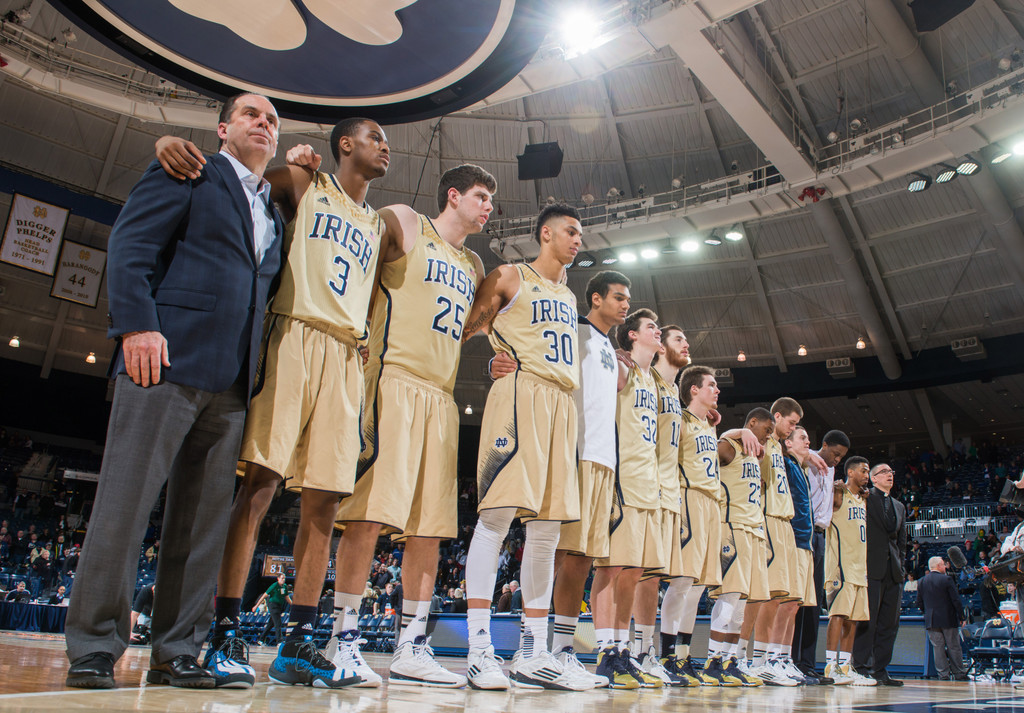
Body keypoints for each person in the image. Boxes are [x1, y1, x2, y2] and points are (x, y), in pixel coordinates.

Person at [155, 117, 390, 689]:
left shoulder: (379, 225)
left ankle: (298, 644)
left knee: (325, 502)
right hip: (293, 335)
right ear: (345, 144)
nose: (386, 147)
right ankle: (224, 631)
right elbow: (232, 179)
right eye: (375, 138)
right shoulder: (304, 183)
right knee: (260, 486)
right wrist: (169, 145)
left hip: (345, 353)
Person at [65, 93, 284, 690]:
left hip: (232, 382)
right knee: (124, 508)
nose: (263, 124)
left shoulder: (273, 209)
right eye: (251, 115)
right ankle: (94, 646)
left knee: (201, 526)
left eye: (272, 120)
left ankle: (177, 650)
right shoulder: (187, 168)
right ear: (222, 128)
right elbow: (131, 244)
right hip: (161, 362)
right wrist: (136, 325)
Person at [321, 161, 494, 689]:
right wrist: (355, 327)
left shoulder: (473, 264)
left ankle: (411, 646)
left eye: (491, 200)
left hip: (441, 398)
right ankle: (342, 639)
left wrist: (502, 355)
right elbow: (353, 260)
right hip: (392, 378)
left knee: (430, 527)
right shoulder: (405, 221)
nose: (489, 207)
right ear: (453, 195)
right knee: (369, 515)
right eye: (481, 196)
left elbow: (468, 327)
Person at [461, 204, 586, 691]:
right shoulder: (511, 276)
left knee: (548, 530)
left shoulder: (567, 293)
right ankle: (478, 649)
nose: (578, 240)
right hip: (520, 395)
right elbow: (464, 326)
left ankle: (532, 652)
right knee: (496, 518)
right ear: (545, 233)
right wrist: (490, 359)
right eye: (571, 232)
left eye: (580, 234)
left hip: (561, 405)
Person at [542, 271, 631, 689]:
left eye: (627, 299)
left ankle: (563, 649)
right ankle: (534, 645)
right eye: (618, 297)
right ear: (596, 298)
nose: (625, 304)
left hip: (603, 458)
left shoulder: (610, 347)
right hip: (575, 452)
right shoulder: (575, 331)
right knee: (556, 552)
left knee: (581, 558)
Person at [590, 309, 665, 689]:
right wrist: (613, 354)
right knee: (611, 567)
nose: (658, 331)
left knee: (634, 572)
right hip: (621, 478)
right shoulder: (622, 366)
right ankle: (605, 652)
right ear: (632, 335)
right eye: (651, 326)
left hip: (648, 483)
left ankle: (621, 650)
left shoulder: (651, 379)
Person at [745, 398, 826, 686]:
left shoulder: (780, 450)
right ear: (777, 417)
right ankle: (759, 659)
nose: (793, 429)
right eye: (792, 424)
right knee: (771, 597)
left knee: (790, 602)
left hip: (792, 531)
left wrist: (808, 456)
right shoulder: (767, 444)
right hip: (771, 522)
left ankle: (779, 658)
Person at [703, 407, 775, 687]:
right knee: (729, 599)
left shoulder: (756, 457)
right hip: (733, 527)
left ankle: (730, 660)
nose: (768, 436)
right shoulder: (730, 446)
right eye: (766, 430)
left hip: (754, 530)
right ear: (752, 422)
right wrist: (735, 432)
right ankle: (712, 662)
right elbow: (706, 453)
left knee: (742, 606)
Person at [793, 430, 850, 677]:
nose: (837, 459)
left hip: (820, 535)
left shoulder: (833, 471)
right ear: (824, 445)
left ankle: (807, 664)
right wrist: (807, 456)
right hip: (803, 531)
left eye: (841, 457)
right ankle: (791, 660)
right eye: (835, 453)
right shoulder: (806, 458)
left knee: (814, 603)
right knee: (798, 600)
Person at [780, 425, 829, 685]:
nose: (808, 441)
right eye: (802, 437)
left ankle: (787, 661)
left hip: (806, 543)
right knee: (786, 604)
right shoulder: (787, 465)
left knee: (796, 605)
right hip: (793, 540)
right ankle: (776, 658)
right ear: (788, 443)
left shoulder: (800, 469)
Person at [823, 456, 876, 686]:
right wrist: (833, 484)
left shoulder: (863, 498)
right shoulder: (838, 494)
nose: (867, 475)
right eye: (863, 471)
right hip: (840, 566)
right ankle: (829, 667)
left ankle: (845, 667)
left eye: (868, 471)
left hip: (859, 568)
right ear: (851, 472)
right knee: (838, 615)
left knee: (853, 619)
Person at [853, 462, 907, 686]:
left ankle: (880, 670)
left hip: (893, 572)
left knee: (889, 624)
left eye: (891, 472)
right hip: (870, 568)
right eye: (883, 472)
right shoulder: (864, 498)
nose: (889, 475)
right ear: (873, 478)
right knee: (868, 621)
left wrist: (901, 567)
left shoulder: (899, 506)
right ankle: (860, 667)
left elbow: (902, 543)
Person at [917, 557, 968, 681]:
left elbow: (919, 602)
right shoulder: (947, 579)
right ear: (939, 566)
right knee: (953, 646)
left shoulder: (921, 581)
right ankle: (959, 673)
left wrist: (926, 613)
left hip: (931, 620)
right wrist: (962, 616)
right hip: (948, 618)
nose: (945, 567)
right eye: (943, 564)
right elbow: (955, 600)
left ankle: (943, 675)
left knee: (938, 648)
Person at [252, 573, 291, 646]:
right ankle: (280, 641)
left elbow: (287, 597)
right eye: (282, 578)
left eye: (284, 578)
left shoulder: (285, 587)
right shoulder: (274, 585)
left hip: (279, 606)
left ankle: (261, 640)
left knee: (271, 624)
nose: (283, 580)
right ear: (278, 579)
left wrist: (293, 605)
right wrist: (256, 606)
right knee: (278, 623)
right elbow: (264, 595)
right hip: (273, 605)